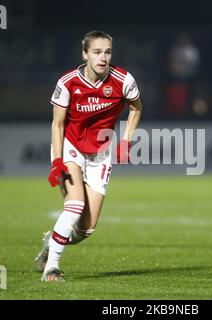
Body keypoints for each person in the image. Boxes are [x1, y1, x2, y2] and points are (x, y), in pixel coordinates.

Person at [34, 31, 142, 282]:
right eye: (96, 52)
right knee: (74, 206)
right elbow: (58, 125)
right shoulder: (68, 82)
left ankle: (52, 242)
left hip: (100, 154)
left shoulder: (123, 80)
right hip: (71, 147)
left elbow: (136, 108)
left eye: (107, 52)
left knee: (85, 229)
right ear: (84, 54)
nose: (103, 57)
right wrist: (57, 161)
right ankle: (51, 269)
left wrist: (125, 141)